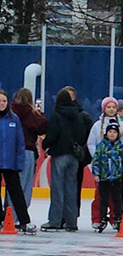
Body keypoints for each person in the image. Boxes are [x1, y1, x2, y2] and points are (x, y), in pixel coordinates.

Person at [0, 90, 35, 233]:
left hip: (11, 163)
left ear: (7, 103)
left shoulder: (14, 119)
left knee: (17, 192)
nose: (1, 103)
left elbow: (19, 142)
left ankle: (24, 221)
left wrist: (19, 162)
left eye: (4, 101)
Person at [40, 89, 87, 232]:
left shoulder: (57, 115)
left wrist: (45, 144)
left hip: (60, 154)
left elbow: (52, 135)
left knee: (57, 189)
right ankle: (71, 221)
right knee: (71, 188)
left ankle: (55, 220)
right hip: (74, 156)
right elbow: (82, 134)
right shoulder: (77, 115)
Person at [10, 87, 47, 208]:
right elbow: (42, 128)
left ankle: (10, 213)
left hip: (11, 151)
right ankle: (21, 215)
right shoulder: (32, 114)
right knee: (25, 185)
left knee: (12, 183)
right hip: (27, 150)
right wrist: (40, 114)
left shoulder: (9, 113)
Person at [86, 97, 119, 228]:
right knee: (100, 194)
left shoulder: (121, 124)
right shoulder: (97, 125)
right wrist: (98, 158)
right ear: (104, 109)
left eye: (113, 107)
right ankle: (97, 218)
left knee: (116, 195)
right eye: (108, 107)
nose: (111, 109)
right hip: (102, 167)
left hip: (116, 167)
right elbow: (91, 143)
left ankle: (115, 219)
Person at [62, 86, 93, 216]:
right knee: (61, 185)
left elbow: (89, 137)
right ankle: (62, 215)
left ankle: (73, 214)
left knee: (75, 186)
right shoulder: (59, 114)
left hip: (77, 157)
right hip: (62, 154)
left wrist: (82, 154)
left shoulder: (84, 116)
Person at [91, 120, 122, 232]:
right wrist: (96, 173)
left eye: (114, 132)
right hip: (104, 178)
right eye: (110, 131)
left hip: (117, 178)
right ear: (106, 133)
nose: (112, 134)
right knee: (103, 200)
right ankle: (102, 218)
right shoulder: (101, 146)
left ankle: (117, 218)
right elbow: (96, 161)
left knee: (117, 199)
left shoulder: (120, 147)